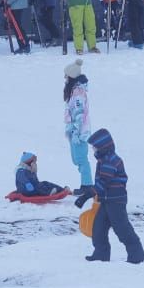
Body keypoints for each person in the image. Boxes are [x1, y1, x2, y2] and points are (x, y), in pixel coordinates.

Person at [74, 128, 144, 264]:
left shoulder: (112, 160)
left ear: (103, 146)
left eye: (95, 147)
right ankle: (101, 254)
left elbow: (102, 183)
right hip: (106, 201)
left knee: (122, 229)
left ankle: (137, 256)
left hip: (116, 202)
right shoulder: (104, 159)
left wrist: (85, 197)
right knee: (98, 228)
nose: (93, 150)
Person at [63, 60, 92, 194]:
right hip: (74, 131)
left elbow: (79, 114)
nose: (65, 79)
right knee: (76, 159)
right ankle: (86, 183)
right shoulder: (74, 92)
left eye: (66, 76)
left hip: (79, 132)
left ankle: (87, 185)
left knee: (81, 159)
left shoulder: (78, 93)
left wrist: (75, 131)